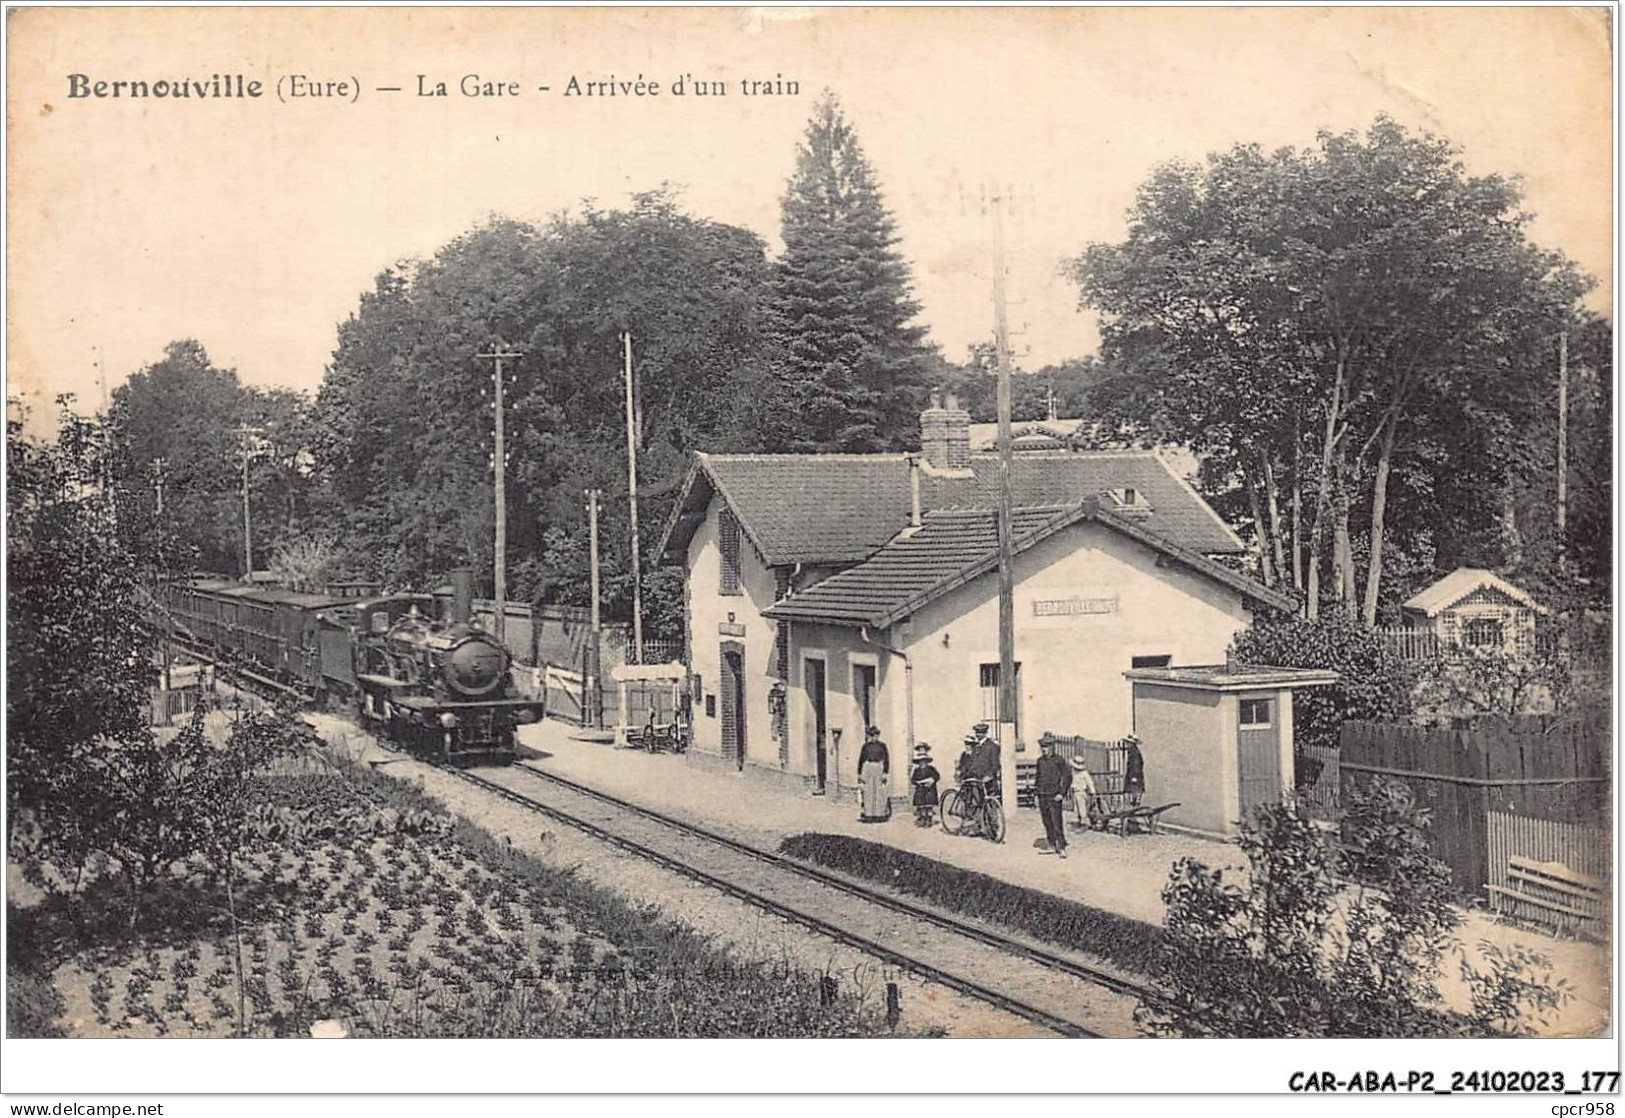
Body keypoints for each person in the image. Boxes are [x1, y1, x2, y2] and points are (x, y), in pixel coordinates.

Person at [1034, 735, 1073, 857]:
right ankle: (1051, 844)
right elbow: (1038, 778)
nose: (1043, 749)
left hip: (1054, 795)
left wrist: (1062, 793)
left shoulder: (1059, 760)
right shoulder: (1040, 761)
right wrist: (1036, 794)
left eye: (1046, 747)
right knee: (1046, 821)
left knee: (1056, 822)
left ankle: (1061, 847)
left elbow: (1067, 777)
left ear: (1052, 747)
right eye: (1042, 747)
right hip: (1042, 795)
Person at [857, 725, 891, 823]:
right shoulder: (865, 746)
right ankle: (869, 814)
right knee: (868, 791)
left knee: (879, 792)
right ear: (869, 736)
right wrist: (859, 773)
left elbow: (886, 759)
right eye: (871, 735)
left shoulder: (882, 746)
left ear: (878, 735)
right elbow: (861, 760)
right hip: (868, 768)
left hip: (879, 767)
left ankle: (879, 814)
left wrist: (885, 772)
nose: (873, 737)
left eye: (875, 735)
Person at [969, 721, 1002, 801]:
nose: (978, 735)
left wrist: (989, 776)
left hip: (988, 780)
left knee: (989, 803)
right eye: (977, 732)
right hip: (976, 780)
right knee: (976, 802)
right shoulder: (975, 746)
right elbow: (972, 762)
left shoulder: (992, 746)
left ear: (985, 733)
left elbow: (995, 764)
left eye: (980, 733)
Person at [909, 744, 940, 827]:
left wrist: (931, 780)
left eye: (924, 761)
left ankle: (929, 820)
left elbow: (937, 776)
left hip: (929, 790)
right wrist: (918, 782)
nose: (922, 763)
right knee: (921, 806)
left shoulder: (931, 769)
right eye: (920, 761)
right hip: (920, 790)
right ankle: (922, 819)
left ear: (927, 761)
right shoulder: (916, 770)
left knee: (929, 806)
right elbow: (913, 780)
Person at [1070, 755, 1103, 830]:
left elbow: (1090, 782)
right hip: (1075, 791)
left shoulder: (1084, 773)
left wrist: (1092, 791)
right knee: (1077, 807)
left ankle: (1083, 823)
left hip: (1081, 792)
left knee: (1082, 807)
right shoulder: (1073, 772)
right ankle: (1079, 820)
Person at [1123, 734, 1145, 808]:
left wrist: (1134, 776)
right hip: (1133, 775)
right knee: (1134, 793)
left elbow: (1136, 765)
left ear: (1132, 744)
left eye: (1128, 743)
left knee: (1135, 793)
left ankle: (1134, 811)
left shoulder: (1134, 753)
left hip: (1135, 776)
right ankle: (1133, 812)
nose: (1127, 745)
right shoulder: (1132, 752)